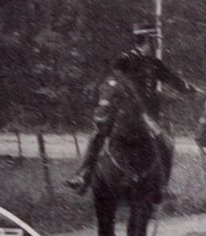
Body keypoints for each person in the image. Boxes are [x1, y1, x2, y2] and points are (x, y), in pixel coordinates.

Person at [67, 24, 190, 194]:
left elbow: (173, 80)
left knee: (167, 144)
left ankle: (162, 187)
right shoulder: (125, 60)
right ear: (148, 40)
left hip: (149, 117)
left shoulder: (154, 64)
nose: (156, 45)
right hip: (125, 113)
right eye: (154, 41)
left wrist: (191, 89)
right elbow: (115, 79)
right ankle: (84, 174)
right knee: (99, 133)